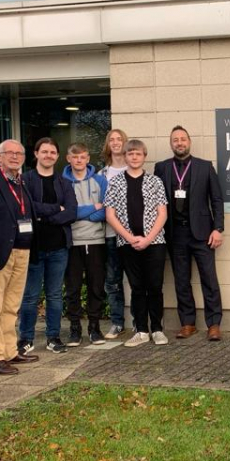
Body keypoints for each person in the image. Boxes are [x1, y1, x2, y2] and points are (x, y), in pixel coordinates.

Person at [154, 125, 224, 341]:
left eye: (183, 139)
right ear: (171, 143)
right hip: (175, 234)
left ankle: (213, 324)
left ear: (189, 141)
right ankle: (188, 323)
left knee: (209, 279)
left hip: (203, 233)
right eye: (175, 140)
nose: (179, 143)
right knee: (181, 280)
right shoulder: (162, 168)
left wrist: (218, 228)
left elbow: (217, 200)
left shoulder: (205, 166)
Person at [0, 139, 39, 375]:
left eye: (19, 153)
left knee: (12, 306)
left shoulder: (22, 183)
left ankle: (10, 351)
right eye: (9, 153)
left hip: (23, 251)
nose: (14, 157)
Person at [103, 139, 169, 347]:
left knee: (155, 286)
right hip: (127, 244)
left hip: (155, 242)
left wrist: (148, 239)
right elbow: (110, 215)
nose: (134, 157)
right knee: (137, 287)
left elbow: (162, 213)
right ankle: (141, 330)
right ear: (125, 156)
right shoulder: (115, 182)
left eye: (138, 154)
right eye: (130, 154)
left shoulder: (155, 181)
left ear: (144, 157)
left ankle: (157, 329)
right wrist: (130, 238)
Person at [17, 138, 77, 354]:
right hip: (33, 247)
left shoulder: (65, 183)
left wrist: (46, 217)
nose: (48, 155)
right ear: (36, 154)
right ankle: (25, 339)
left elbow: (72, 212)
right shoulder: (25, 180)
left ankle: (53, 337)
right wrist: (55, 209)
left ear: (57, 156)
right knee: (30, 296)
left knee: (54, 295)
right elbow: (28, 209)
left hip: (59, 247)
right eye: (44, 151)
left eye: (53, 152)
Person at [63, 143, 108, 347]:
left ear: (88, 158)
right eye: (75, 157)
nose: (79, 160)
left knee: (96, 286)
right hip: (71, 242)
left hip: (96, 241)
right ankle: (75, 329)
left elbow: (106, 211)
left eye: (82, 157)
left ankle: (94, 327)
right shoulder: (62, 182)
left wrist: (78, 212)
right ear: (68, 159)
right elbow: (65, 214)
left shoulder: (100, 180)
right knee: (72, 288)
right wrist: (91, 208)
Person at [98, 128, 129, 339]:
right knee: (112, 280)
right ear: (108, 145)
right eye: (112, 140)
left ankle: (139, 322)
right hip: (110, 234)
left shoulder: (134, 168)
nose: (116, 143)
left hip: (134, 234)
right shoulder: (102, 175)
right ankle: (117, 322)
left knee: (136, 280)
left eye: (119, 139)